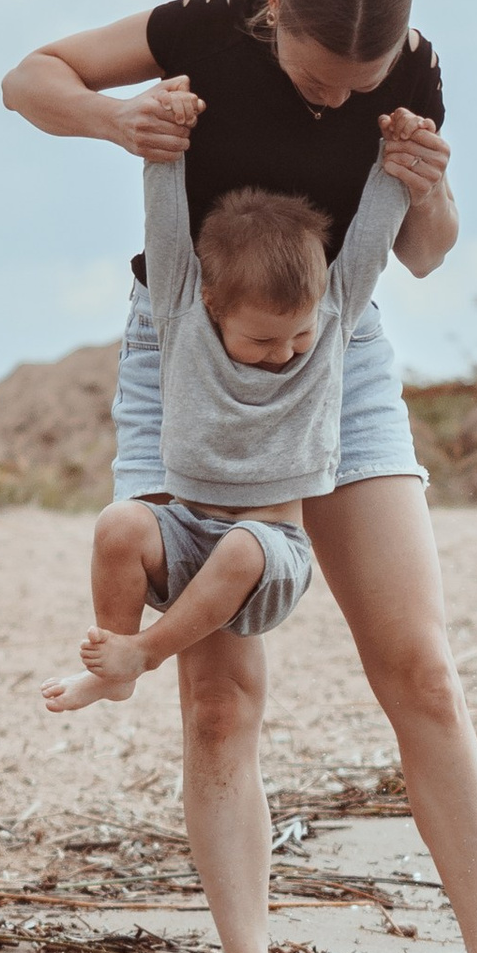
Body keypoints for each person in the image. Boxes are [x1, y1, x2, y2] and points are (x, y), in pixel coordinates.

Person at [2, 0, 477, 953]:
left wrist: (430, 189)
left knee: (421, 668)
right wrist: (116, 119)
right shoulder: (206, 27)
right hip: (183, 357)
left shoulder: (416, 67)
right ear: (276, 16)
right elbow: (26, 79)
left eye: (365, 80)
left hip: (337, 351)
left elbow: (425, 251)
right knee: (220, 700)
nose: (339, 100)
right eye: (316, 75)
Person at [43, 165, 398, 723]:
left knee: (241, 544)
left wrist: (395, 168)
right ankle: (111, 671)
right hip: (185, 539)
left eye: (298, 335)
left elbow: (372, 239)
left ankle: (143, 654)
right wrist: (165, 153)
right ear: (210, 302)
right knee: (119, 522)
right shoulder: (181, 316)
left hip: (271, 555)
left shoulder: (334, 317)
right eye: (262, 339)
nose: (284, 353)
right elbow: (163, 225)